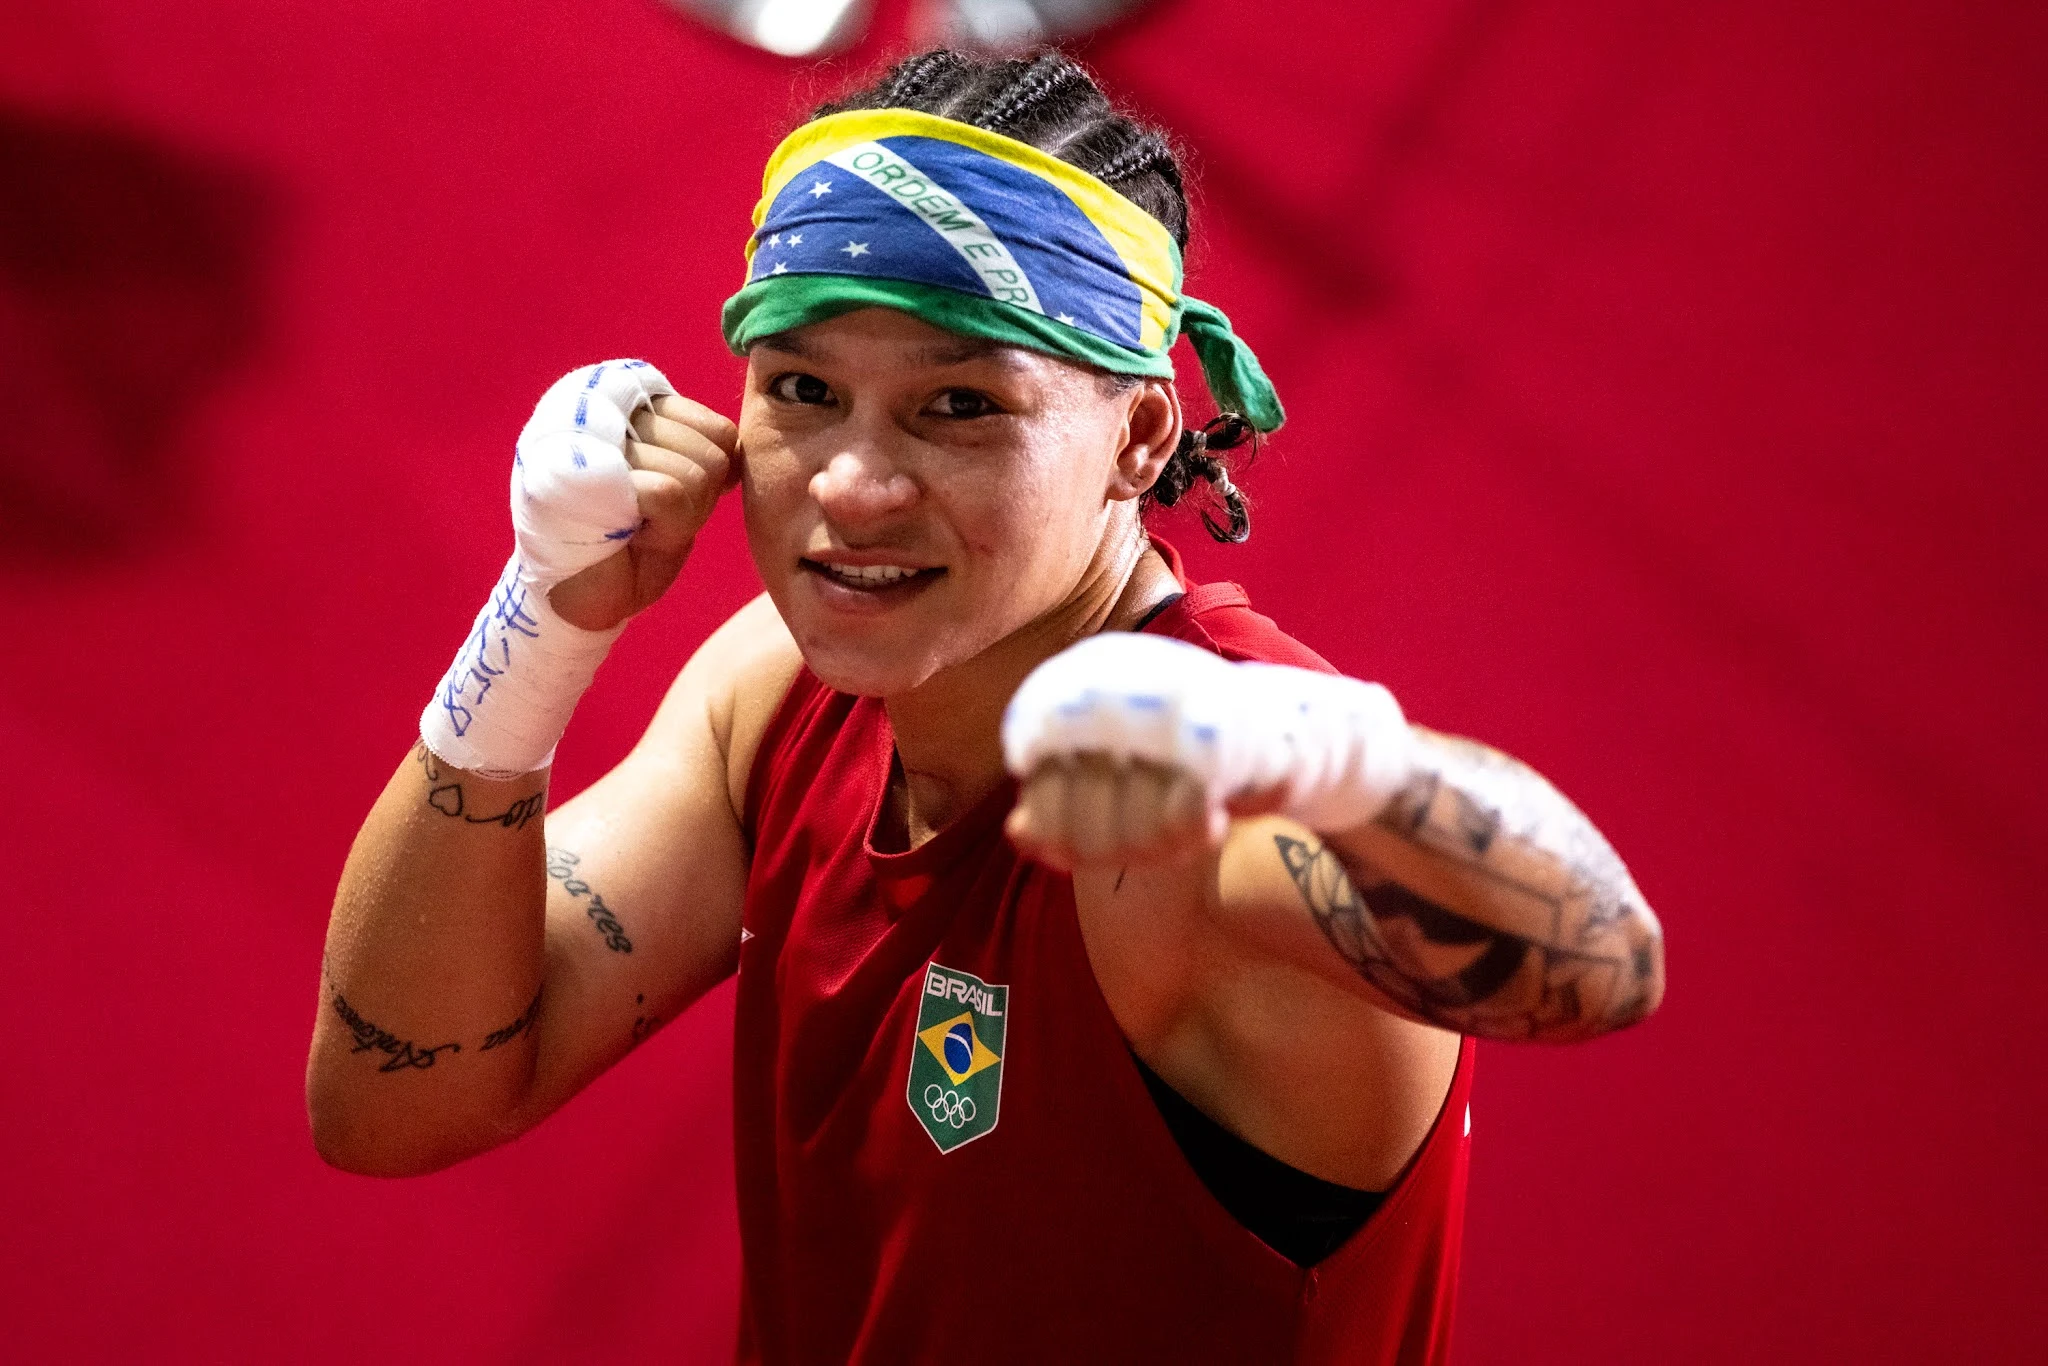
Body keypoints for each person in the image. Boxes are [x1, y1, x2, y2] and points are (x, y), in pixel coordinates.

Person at [308, 48, 1665, 1366]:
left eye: (958, 405)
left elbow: (1600, 952)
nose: (849, 483)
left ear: (1140, 437)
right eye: (804, 391)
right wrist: (539, 620)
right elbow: (393, 1098)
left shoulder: (1192, 810)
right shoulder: (773, 692)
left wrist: (1304, 752)